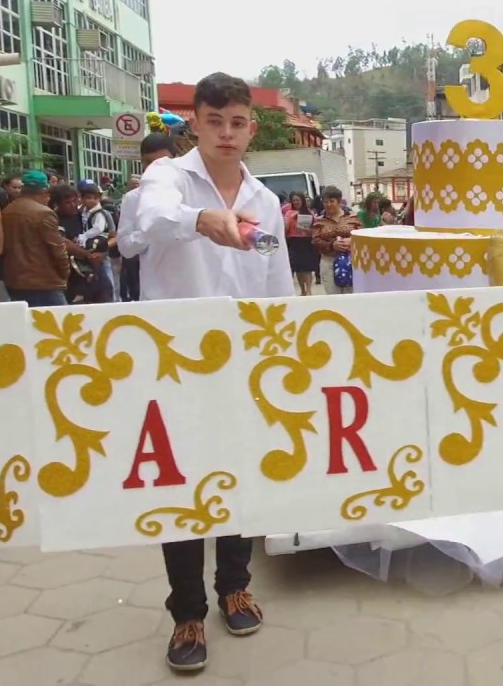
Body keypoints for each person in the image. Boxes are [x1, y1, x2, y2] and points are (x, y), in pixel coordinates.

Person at [134, 72, 293, 671]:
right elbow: (150, 221)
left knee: (239, 477)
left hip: (246, 361)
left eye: (238, 122)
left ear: (252, 127)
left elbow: (276, 285)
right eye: (214, 121)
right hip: (174, 363)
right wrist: (202, 221)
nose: (227, 133)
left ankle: (235, 585)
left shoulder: (266, 202)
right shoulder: (166, 179)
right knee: (180, 487)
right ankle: (187, 614)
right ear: (194, 124)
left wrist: (284, 351)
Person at [116, 134, 179, 303]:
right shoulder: (133, 199)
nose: (156, 168)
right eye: (150, 162)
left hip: (197, 293)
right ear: (142, 163)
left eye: (163, 162)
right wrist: (148, 233)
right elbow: (125, 247)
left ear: (175, 160)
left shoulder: (192, 192)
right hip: (155, 295)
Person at [0, 172, 69, 307]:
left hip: (14, 280)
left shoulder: (7, 211)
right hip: (43, 281)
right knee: (56, 324)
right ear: (44, 190)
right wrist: (64, 273)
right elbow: (57, 249)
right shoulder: (44, 213)